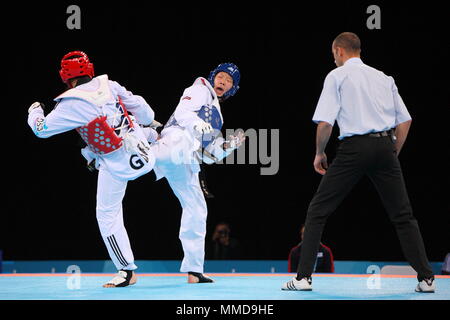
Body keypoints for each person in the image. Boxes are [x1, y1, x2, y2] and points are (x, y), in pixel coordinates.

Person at [282, 32, 435, 293]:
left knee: (317, 211)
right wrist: (391, 151)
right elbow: (406, 121)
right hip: (385, 146)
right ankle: (426, 279)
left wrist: (319, 153)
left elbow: (325, 122)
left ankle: (304, 278)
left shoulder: (337, 76)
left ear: (339, 51)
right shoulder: (384, 78)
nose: (334, 59)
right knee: (403, 215)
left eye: (333, 54)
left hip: (354, 149)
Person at [27, 51, 159, 288]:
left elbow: (41, 129)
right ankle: (158, 136)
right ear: (89, 69)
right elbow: (147, 112)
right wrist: (145, 123)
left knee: (107, 214)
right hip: (147, 153)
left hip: (119, 166)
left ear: (65, 77)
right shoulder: (110, 84)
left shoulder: (70, 104)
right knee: (140, 127)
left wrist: (34, 110)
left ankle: (127, 271)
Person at [149, 63, 245, 283]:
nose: (222, 81)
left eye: (228, 81)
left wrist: (229, 147)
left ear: (232, 88)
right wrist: (196, 124)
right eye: (220, 77)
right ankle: (114, 153)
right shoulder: (201, 87)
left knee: (197, 207)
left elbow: (211, 154)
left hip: (186, 158)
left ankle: (194, 270)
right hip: (175, 141)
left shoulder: (217, 117)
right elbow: (183, 112)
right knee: (130, 167)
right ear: (213, 78)